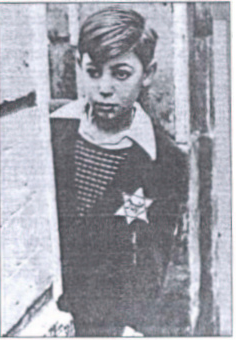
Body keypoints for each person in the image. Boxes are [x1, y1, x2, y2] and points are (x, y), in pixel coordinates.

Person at [50, 7, 188, 337]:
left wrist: (132, 324)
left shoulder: (163, 160)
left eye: (121, 74)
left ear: (148, 73)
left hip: (107, 319)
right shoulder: (53, 132)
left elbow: (153, 258)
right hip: (48, 311)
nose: (104, 88)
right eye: (93, 72)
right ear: (79, 65)